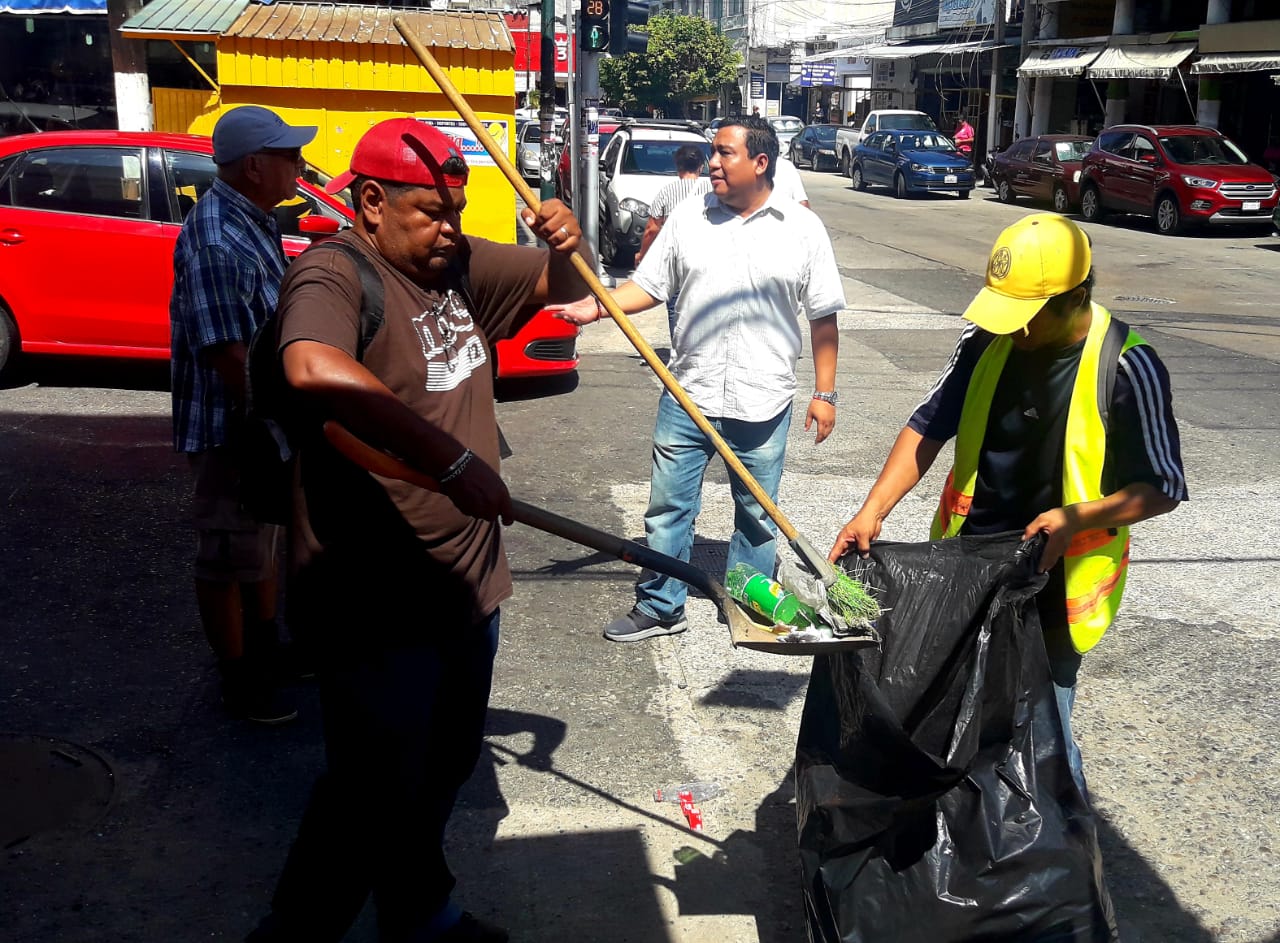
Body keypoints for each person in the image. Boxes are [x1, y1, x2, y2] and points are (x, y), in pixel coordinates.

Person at [245, 118, 593, 943]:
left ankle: (418, 914)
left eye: (459, 209)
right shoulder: (337, 272)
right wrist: (447, 462)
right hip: (372, 592)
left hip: (468, 584)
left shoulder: (459, 263)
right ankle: (296, 933)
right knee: (368, 785)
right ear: (371, 201)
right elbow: (310, 366)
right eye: (432, 210)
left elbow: (565, 282)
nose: (450, 229)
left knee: (442, 768)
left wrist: (567, 236)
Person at [828, 213, 1186, 793]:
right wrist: (873, 508)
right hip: (969, 561)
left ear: (1071, 298)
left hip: (1058, 578)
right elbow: (927, 426)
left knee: (1044, 730)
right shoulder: (985, 343)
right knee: (955, 708)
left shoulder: (1127, 365)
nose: (1012, 331)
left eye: (1024, 316)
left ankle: (1054, 856)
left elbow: (1163, 485)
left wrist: (1078, 519)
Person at [550, 116, 845, 643]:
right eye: (712, 152)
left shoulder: (802, 229)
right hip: (688, 392)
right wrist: (596, 309)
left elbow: (823, 317)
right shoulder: (690, 218)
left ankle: (749, 601)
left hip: (764, 399)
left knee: (756, 515)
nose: (712, 162)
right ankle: (662, 605)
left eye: (724, 153)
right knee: (668, 506)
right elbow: (648, 287)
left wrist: (825, 394)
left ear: (760, 162)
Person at [169, 105, 317, 724]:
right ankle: (239, 683)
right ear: (255, 167)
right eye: (288, 157)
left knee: (261, 548)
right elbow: (231, 356)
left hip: (263, 427)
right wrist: (282, 419)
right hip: (236, 430)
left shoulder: (249, 218)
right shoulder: (216, 239)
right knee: (228, 556)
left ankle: (263, 650)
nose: (300, 166)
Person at [635, 143, 711, 337]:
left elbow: (652, 228)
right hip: (707, 257)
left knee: (675, 309)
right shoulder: (711, 189)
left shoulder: (667, 192)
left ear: (678, 166)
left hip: (676, 259)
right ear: (701, 166)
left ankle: (679, 351)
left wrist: (642, 254)